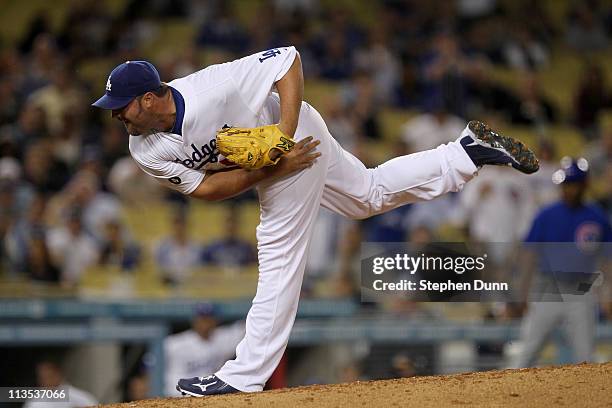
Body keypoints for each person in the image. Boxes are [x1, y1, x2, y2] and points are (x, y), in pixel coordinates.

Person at [92, 47, 538, 395]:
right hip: (278, 163)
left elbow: (288, 60)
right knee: (368, 194)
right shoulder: (144, 149)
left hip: (294, 131)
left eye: (121, 105)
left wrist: (283, 140)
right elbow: (207, 191)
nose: (115, 114)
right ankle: (464, 152)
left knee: (277, 247)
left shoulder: (212, 88)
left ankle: (244, 375)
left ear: (148, 98)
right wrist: (273, 167)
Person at [514, 158, 612, 368]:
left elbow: (607, 259)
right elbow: (529, 255)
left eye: (572, 184)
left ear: (584, 185)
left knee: (585, 357)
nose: (567, 189)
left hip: (582, 290)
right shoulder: (546, 214)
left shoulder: (597, 216)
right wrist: (522, 291)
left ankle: (587, 401)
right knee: (526, 354)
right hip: (547, 288)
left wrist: (607, 293)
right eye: (565, 184)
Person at [163, 304, 244, 397]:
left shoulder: (224, 338)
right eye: (202, 318)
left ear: (216, 320)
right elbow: (150, 364)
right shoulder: (174, 343)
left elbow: (249, 325)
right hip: (178, 396)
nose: (205, 322)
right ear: (194, 320)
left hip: (210, 397)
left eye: (209, 318)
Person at [23, 359, 98, 408]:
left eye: (49, 376)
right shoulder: (34, 402)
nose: (46, 381)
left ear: (58, 374)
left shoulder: (81, 398)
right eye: (42, 378)